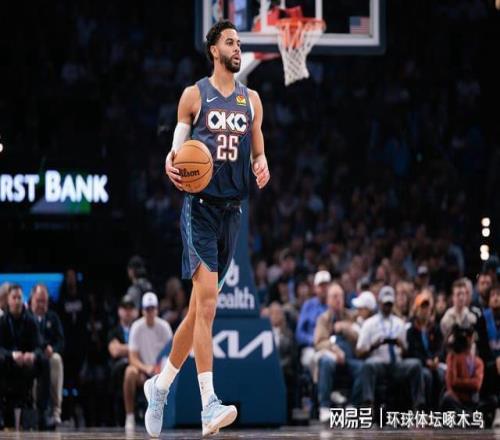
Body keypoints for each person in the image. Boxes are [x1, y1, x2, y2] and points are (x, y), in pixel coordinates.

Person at [144, 19, 270, 437]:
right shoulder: (194, 95)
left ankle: (160, 386)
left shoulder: (252, 101)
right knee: (210, 304)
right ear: (214, 49)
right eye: (231, 42)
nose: (238, 48)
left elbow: (258, 153)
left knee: (198, 310)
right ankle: (208, 403)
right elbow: (178, 151)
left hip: (233, 213)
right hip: (199, 210)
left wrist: (261, 165)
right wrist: (171, 159)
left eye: (239, 43)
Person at [356, 286, 424, 410]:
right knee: (368, 365)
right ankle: (368, 404)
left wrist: (400, 344)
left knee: (415, 365)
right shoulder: (369, 324)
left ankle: (419, 406)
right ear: (379, 303)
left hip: (397, 363)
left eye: (389, 304)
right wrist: (373, 346)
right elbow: (359, 352)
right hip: (379, 363)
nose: (387, 307)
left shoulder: (400, 323)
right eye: (385, 304)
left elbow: (406, 352)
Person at [314, 283, 362, 422]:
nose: (338, 299)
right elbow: (318, 342)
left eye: (340, 296)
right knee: (325, 362)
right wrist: (334, 349)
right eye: (334, 296)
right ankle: (324, 407)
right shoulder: (323, 319)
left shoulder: (351, 316)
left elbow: (359, 337)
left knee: (363, 368)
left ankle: (352, 406)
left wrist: (345, 328)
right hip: (333, 357)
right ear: (328, 300)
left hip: (350, 358)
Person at [125, 292, 172, 432]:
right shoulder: (136, 327)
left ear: (157, 309)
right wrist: (146, 368)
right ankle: (130, 416)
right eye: (147, 309)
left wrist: (160, 369)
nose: (150, 312)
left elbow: (170, 354)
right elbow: (132, 357)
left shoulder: (164, 327)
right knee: (129, 372)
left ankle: (166, 416)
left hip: (161, 372)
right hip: (143, 371)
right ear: (142, 311)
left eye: (152, 308)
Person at [0, 285, 42, 430]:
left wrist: (32, 355)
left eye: (19, 297)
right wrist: (11, 355)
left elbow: (39, 347)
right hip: (7, 364)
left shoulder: (31, 321)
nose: (17, 301)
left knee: (44, 363)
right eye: (14, 298)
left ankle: (43, 415)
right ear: (8, 300)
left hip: (26, 364)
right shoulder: (2, 321)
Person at [30, 284, 65, 427]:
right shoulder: (26, 316)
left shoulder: (53, 317)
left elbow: (61, 341)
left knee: (56, 359)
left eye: (44, 301)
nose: (41, 305)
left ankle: (56, 411)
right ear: (32, 299)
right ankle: (33, 412)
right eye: (38, 301)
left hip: (49, 357)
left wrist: (53, 349)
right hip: (32, 355)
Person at [406, 291, 444, 409]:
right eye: (422, 308)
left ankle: (438, 409)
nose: (425, 311)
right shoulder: (411, 330)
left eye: (427, 308)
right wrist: (426, 361)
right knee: (426, 376)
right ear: (416, 310)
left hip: (435, 363)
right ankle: (424, 409)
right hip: (421, 364)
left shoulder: (435, 328)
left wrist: (437, 358)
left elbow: (440, 347)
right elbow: (412, 351)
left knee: (441, 375)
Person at [108, 294, 138, 426]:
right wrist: (134, 349)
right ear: (119, 311)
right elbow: (114, 351)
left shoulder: (139, 329)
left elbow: (144, 349)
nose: (128, 312)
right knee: (124, 370)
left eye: (130, 308)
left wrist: (123, 348)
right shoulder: (113, 331)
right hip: (118, 370)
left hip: (138, 367)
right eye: (125, 308)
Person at [441, 325, 484, 411]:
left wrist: (459, 382)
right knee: (447, 398)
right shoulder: (453, 357)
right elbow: (452, 382)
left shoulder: (478, 362)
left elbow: (476, 384)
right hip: (455, 400)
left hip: (471, 401)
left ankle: (467, 414)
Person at [295, 270, 330, 368]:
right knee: (313, 359)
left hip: (330, 346)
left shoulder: (333, 305)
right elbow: (299, 334)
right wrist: (313, 340)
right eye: (321, 286)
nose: (324, 289)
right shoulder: (308, 305)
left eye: (326, 285)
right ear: (315, 288)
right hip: (311, 348)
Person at [476, 284, 500, 427]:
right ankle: (495, 409)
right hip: (488, 360)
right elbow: (482, 346)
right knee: (490, 368)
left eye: (498, 295)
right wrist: (495, 359)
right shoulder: (482, 318)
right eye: (493, 295)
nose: (496, 298)